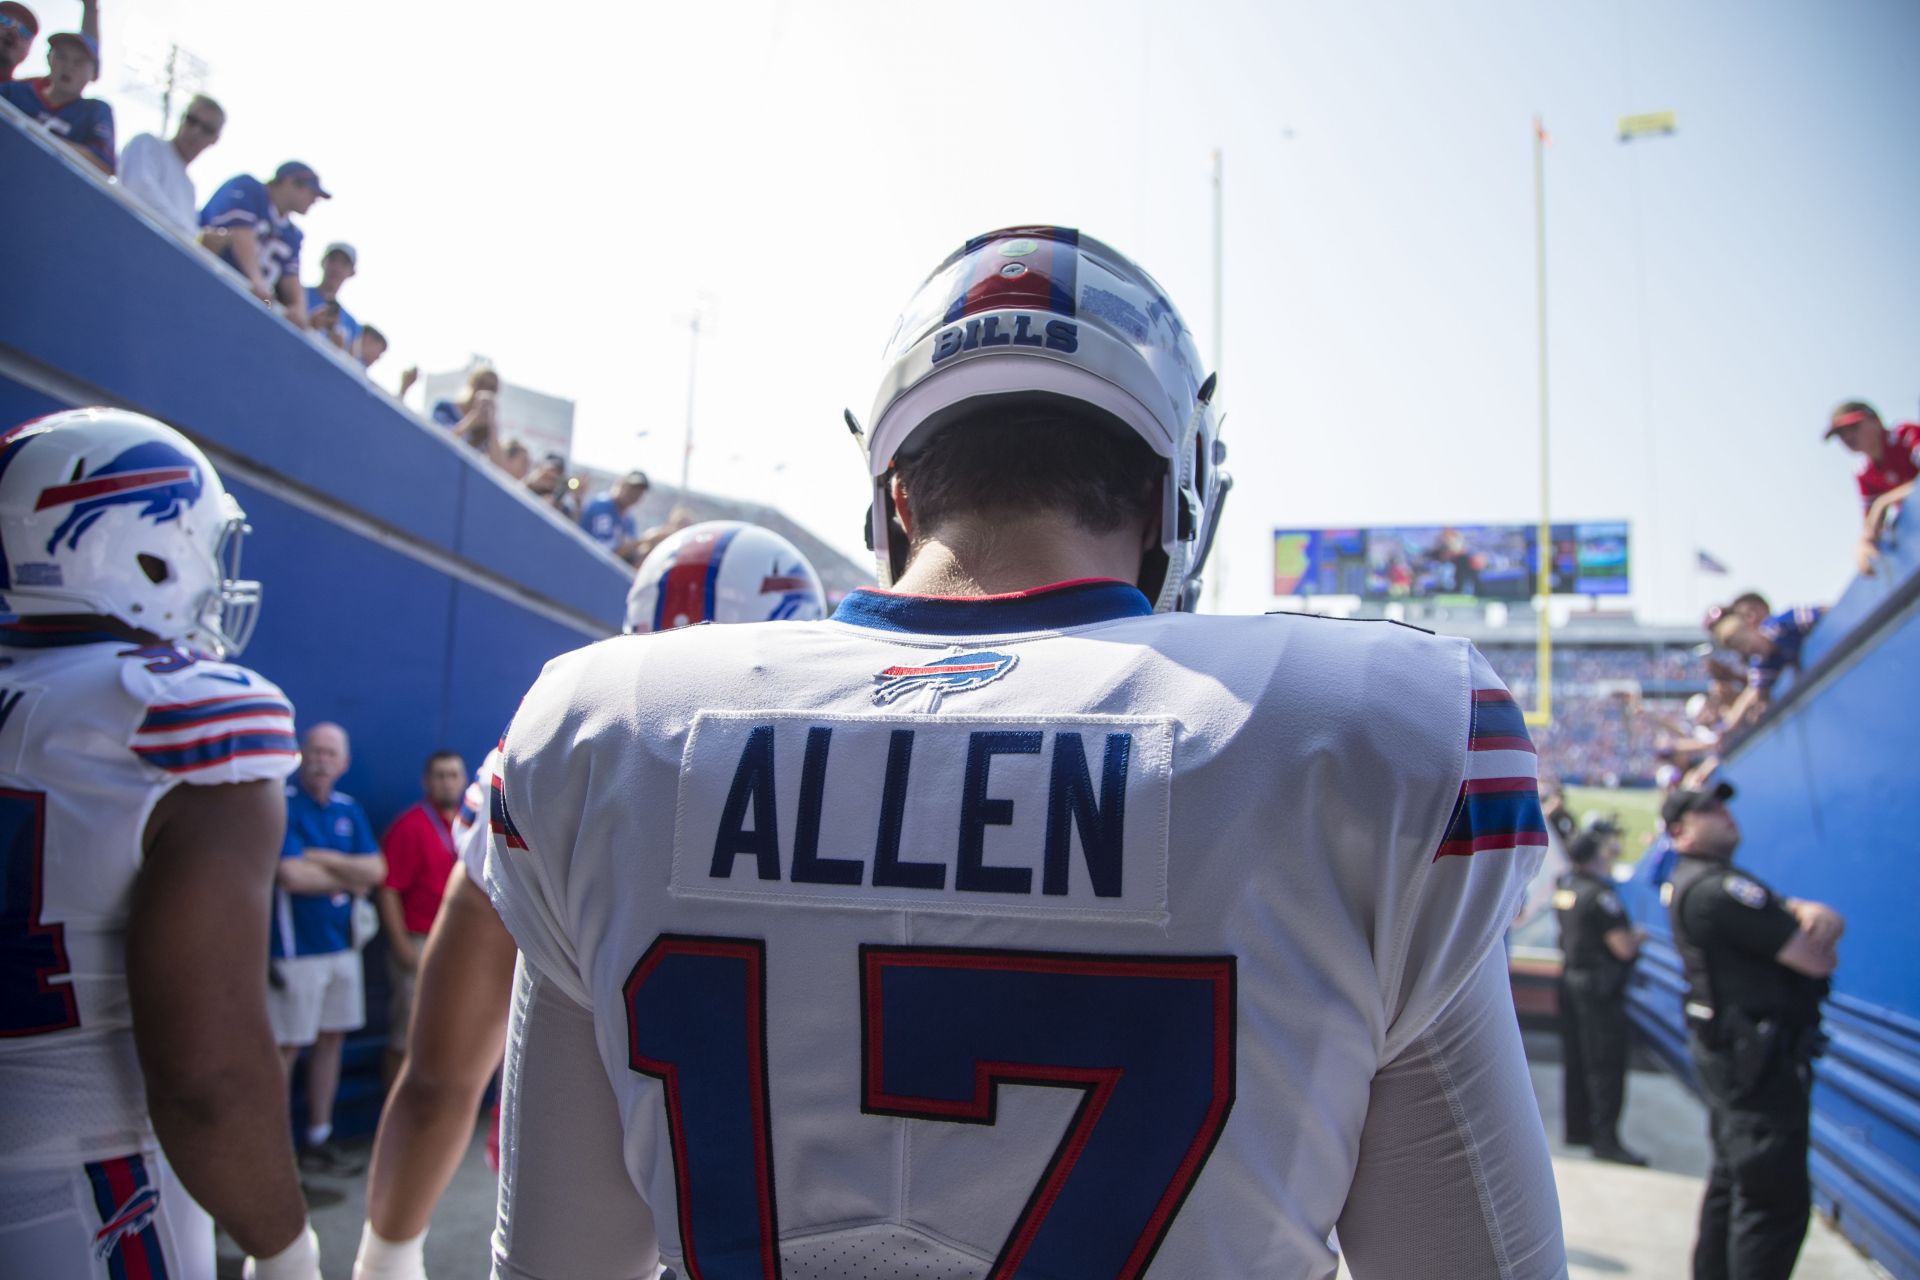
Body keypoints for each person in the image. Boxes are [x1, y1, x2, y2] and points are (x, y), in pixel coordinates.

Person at [480, 226, 1565, 1278]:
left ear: (896, 492)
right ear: (1164, 492)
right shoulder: (1361, 732)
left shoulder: (611, 724)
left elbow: (554, 1258)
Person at [353, 522, 826, 1280]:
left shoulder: (563, 758)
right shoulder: (869, 778)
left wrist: (386, 1256)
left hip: (572, 1200)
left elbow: (440, 1079)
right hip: (801, 1212)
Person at [0, 408, 322, 1278]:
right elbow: (205, 1078)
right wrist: (284, 1247)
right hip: (81, 1193)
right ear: (145, 548)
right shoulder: (169, 712)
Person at [1663, 781, 1843, 1280]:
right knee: (1772, 1205)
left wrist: (1797, 909)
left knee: (1734, 1182)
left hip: (1733, 1058)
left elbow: (1773, 915)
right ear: (1680, 832)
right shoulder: (1722, 890)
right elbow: (1816, 958)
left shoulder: (1699, 882)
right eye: (1709, 811)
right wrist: (1819, 918)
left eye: (1723, 806)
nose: (1725, 815)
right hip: (1758, 1065)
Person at [271, 721, 384, 1175]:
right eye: (314, 751)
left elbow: (376, 870)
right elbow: (290, 876)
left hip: (343, 948)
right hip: (295, 952)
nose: (321, 760)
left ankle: (318, 1137)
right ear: (301, 755)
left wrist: (319, 858)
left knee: (331, 1039)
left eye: (330, 753)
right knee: (287, 1048)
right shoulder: (282, 804)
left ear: (344, 763)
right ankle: (275, 1150)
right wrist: (347, 872)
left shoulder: (348, 809)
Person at [1554, 824, 1646, 1165]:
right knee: (1605, 1064)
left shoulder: (1566, 887)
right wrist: (1638, 938)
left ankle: (1577, 1129)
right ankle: (1605, 1139)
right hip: (1598, 988)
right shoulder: (1601, 895)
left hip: (1570, 981)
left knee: (1576, 1059)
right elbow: (1622, 948)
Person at [374, 750, 465, 1085]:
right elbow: (388, 889)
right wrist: (402, 947)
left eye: (453, 774)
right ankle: (393, 1119)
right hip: (420, 943)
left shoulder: (466, 824)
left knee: (453, 1034)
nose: (447, 782)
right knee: (406, 1036)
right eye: (440, 775)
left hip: (460, 945)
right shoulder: (410, 826)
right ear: (426, 782)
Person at [201, 161, 330, 324]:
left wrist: (299, 308)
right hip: (210, 281)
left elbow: (291, 276)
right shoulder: (249, 188)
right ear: (289, 182)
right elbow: (240, 232)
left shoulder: (293, 235)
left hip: (243, 308)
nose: (314, 200)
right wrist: (257, 281)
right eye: (311, 192)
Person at [1825, 401, 1920, 576]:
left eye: (1853, 427)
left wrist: (1884, 501)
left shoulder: (1905, 434)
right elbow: (1871, 525)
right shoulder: (1865, 473)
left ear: (1875, 420)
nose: (1847, 437)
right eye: (1840, 434)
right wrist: (1863, 543)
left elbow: (1880, 506)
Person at [0, 29, 114, 174]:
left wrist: (36, 137)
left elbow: (104, 164)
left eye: (79, 62)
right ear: (49, 58)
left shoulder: (96, 111)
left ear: (94, 73)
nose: (68, 66)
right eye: (61, 56)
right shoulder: (14, 91)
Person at [1707, 600, 1826, 733]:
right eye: (1739, 648)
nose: (1746, 649)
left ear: (1750, 628)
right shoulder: (1761, 663)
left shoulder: (1781, 625)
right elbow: (1759, 694)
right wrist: (1760, 708)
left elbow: (1827, 614)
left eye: (1743, 642)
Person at [116, 94, 224, 237]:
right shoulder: (147, 144)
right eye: (192, 120)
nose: (196, 131)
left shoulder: (189, 189)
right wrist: (197, 238)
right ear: (182, 118)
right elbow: (138, 192)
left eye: (207, 129)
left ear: (215, 140)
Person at [579, 469, 649, 561]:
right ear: (620, 484)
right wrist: (644, 539)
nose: (634, 494)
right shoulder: (603, 505)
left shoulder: (629, 520)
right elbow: (602, 551)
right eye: (632, 488)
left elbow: (632, 555)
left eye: (639, 492)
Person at [305, 242, 362, 351]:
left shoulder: (352, 325)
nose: (336, 268)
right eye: (333, 260)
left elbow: (352, 362)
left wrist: (340, 349)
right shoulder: (296, 294)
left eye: (344, 264)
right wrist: (309, 323)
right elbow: (268, 303)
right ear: (323, 262)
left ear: (351, 272)